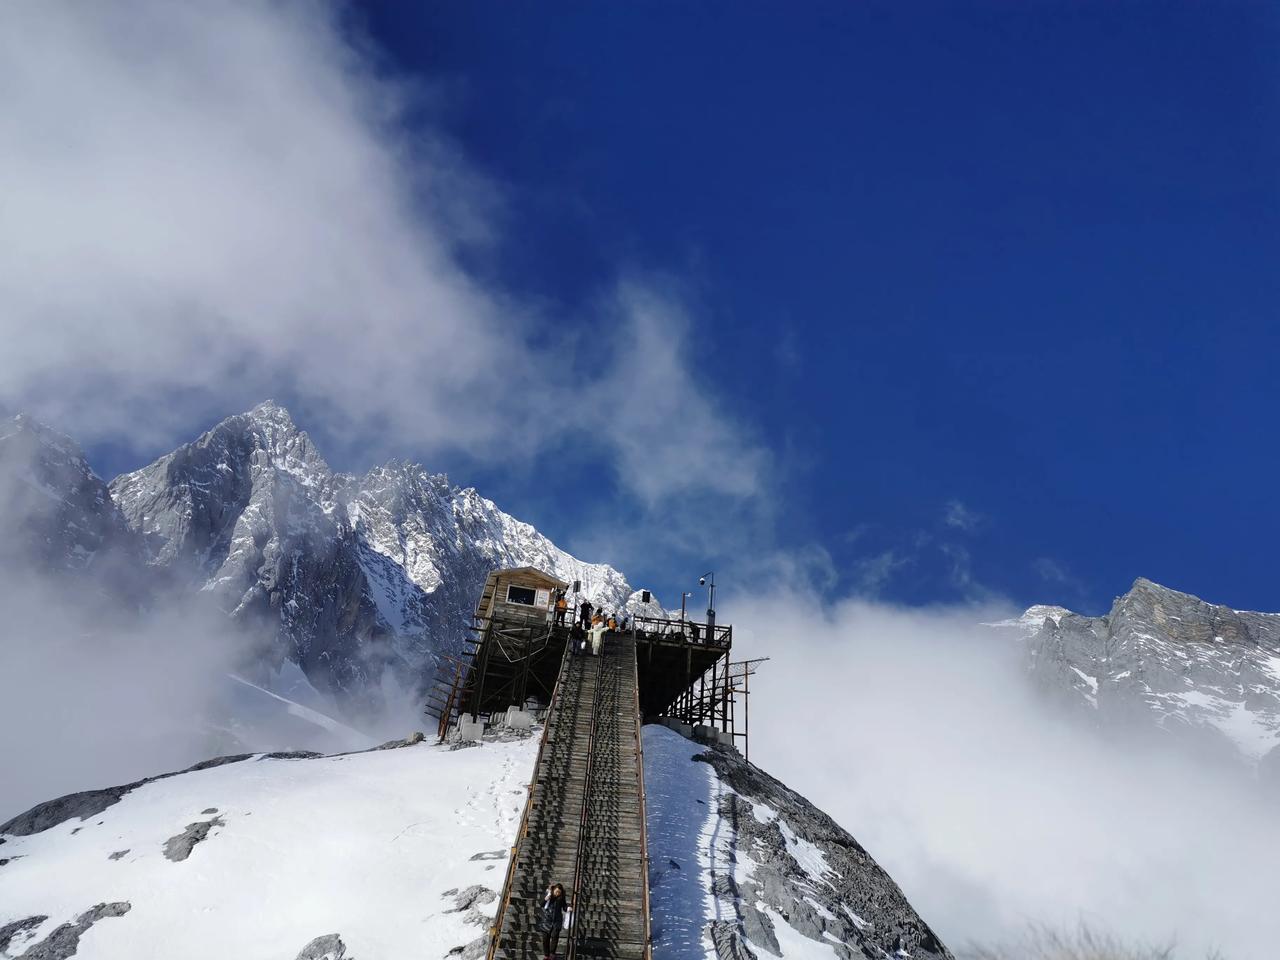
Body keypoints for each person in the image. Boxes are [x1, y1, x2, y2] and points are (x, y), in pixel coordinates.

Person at [539, 883, 568, 960]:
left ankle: (552, 954)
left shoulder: (561, 898)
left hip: (557, 921)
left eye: (559, 892)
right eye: (556, 891)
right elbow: (541, 904)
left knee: (555, 937)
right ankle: (546, 955)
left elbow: (564, 906)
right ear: (553, 890)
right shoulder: (548, 894)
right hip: (546, 920)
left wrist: (568, 908)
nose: (557, 893)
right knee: (545, 939)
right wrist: (546, 899)